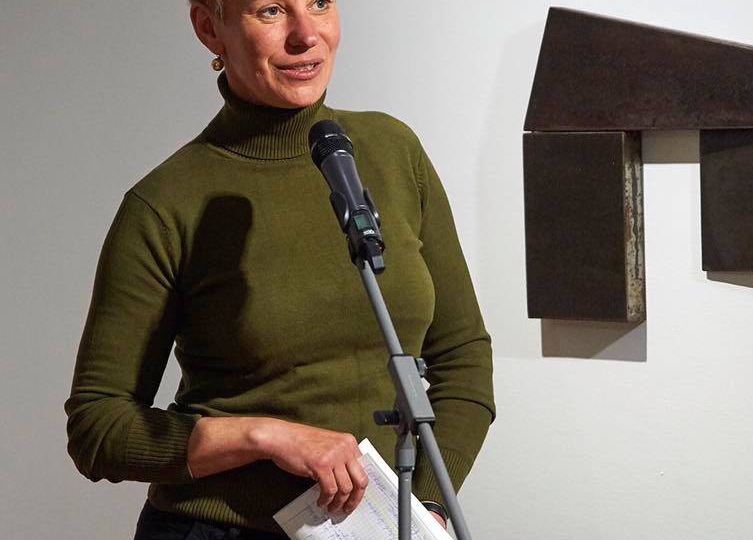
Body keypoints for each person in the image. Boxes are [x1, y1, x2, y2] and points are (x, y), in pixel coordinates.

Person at [64, 0, 496, 537]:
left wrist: (425, 505)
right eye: (271, 10)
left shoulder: (392, 151)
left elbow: (462, 354)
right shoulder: (165, 203)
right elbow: (98, 426)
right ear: (209, 27)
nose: (305, 34)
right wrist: (264, 437)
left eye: (320, 3)